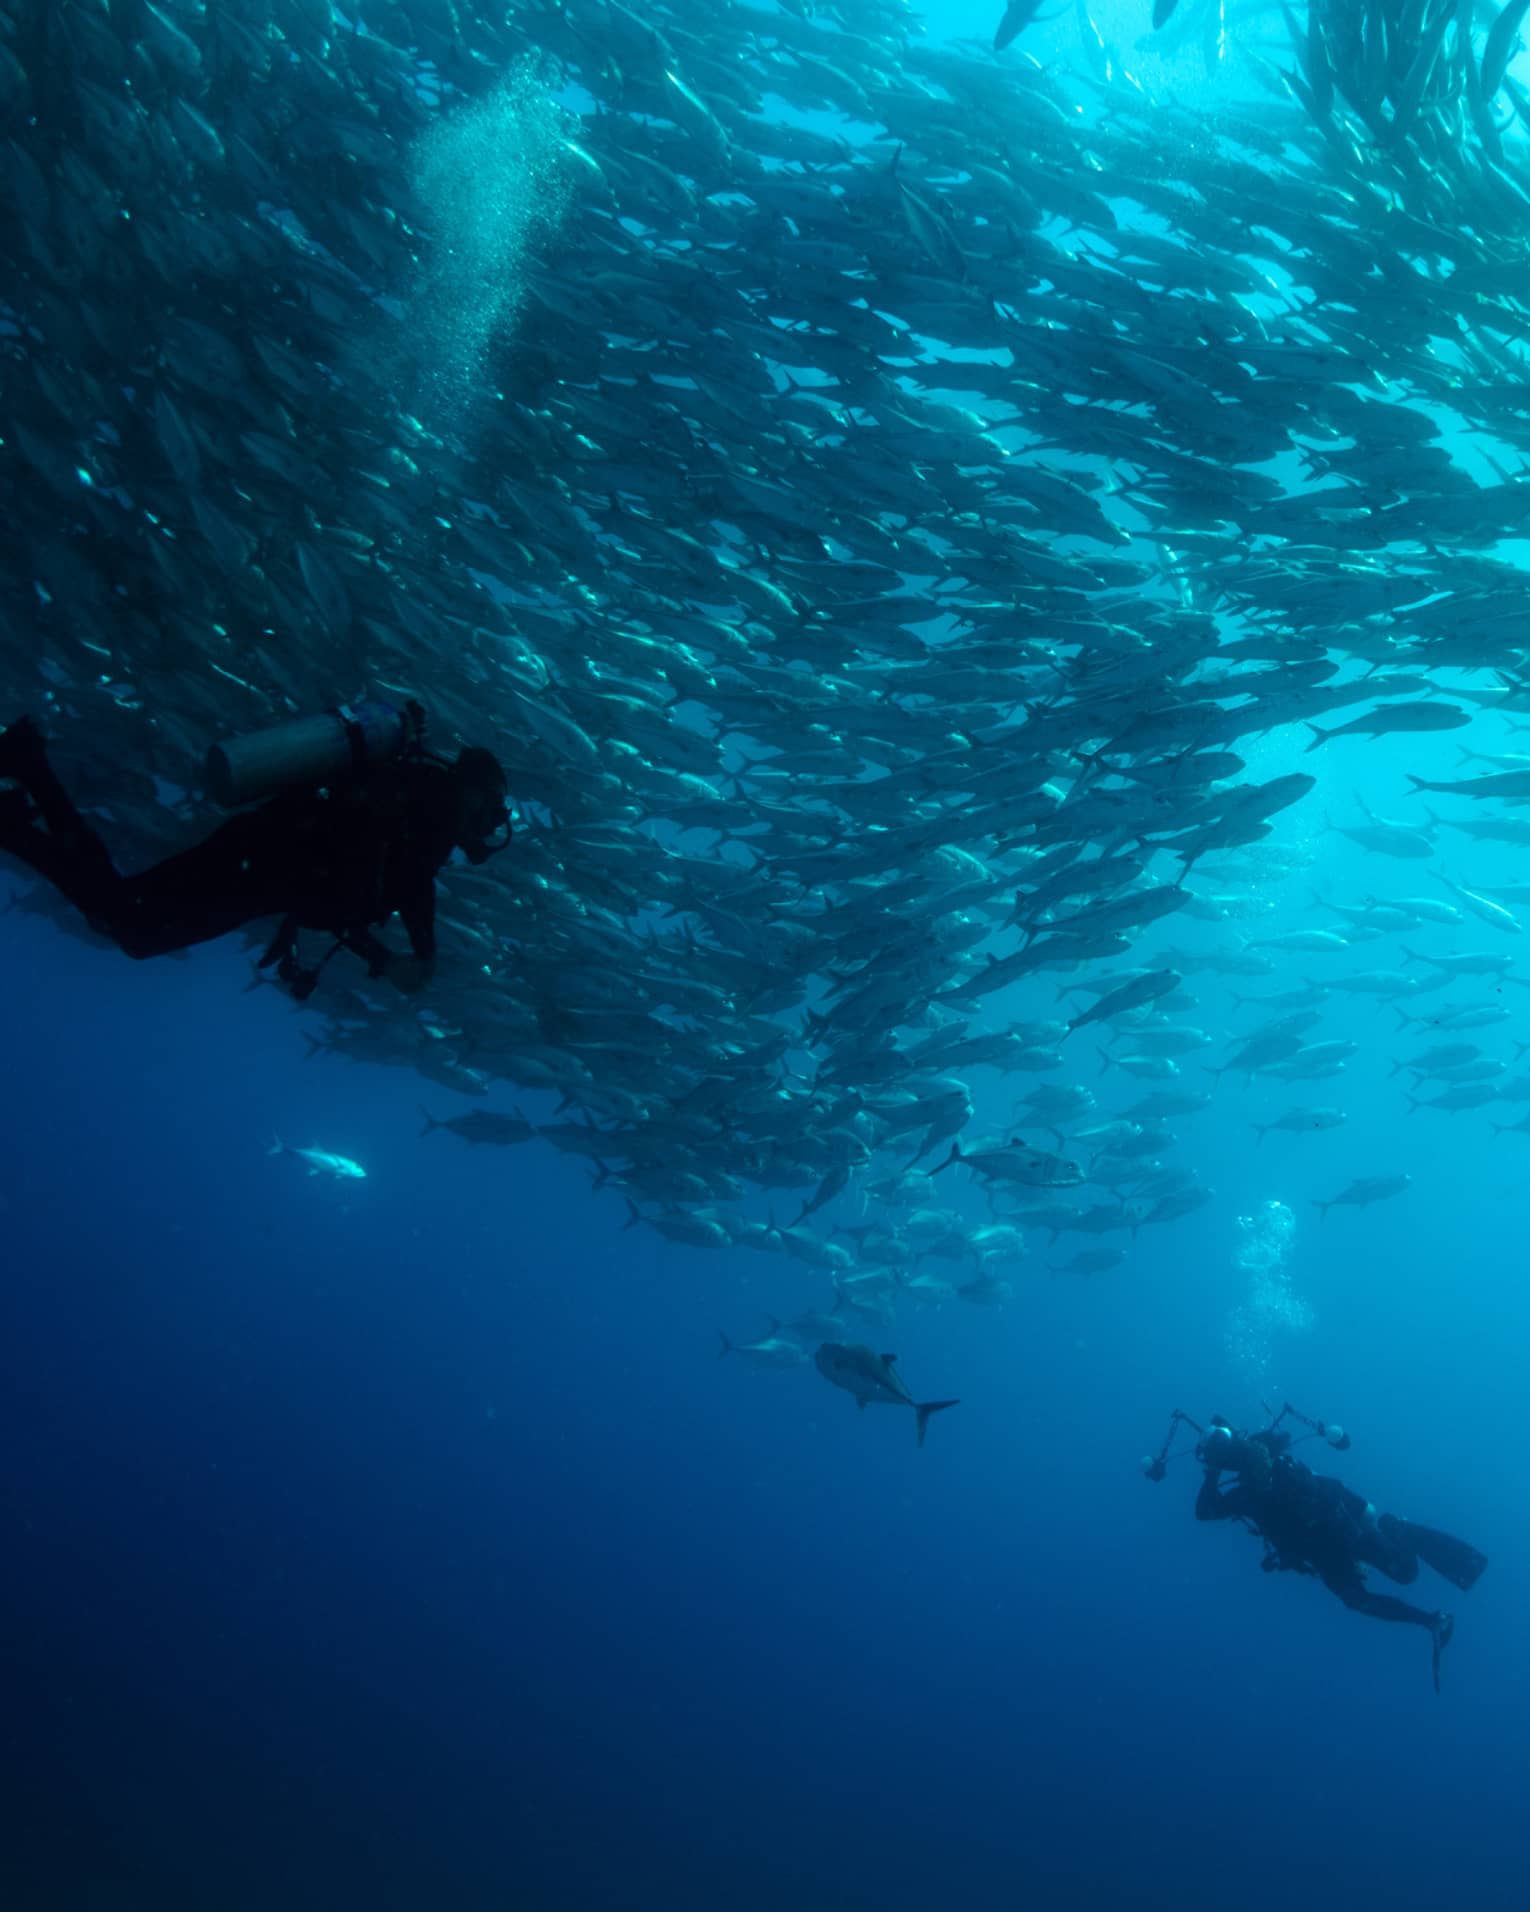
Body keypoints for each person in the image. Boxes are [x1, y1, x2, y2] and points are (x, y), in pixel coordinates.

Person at [0, 711, 510, 997]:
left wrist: (386, 958)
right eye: (491, 810)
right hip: (258, 869)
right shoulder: (434, 805)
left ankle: (23, 788)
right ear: (476, 792)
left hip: (258, 858)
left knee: (123, 917)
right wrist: (426, 952)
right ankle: (26, 780)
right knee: (124, 920)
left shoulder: (416, 802)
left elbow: (356, 893)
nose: (488, 825)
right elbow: (410, 886)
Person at [1193, 1417, 1488, 1692]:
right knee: (1356, 1600)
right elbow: (1204, 1512)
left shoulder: (1272, 1463)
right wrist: (1215, 1470)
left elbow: (1285, 1439)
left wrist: (1241, 1447)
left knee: (1407, 1574)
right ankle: (1434, 1621)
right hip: (1321, 1555)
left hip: (1344, 1530)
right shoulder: (1245, 1495)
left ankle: (1396, 1528)